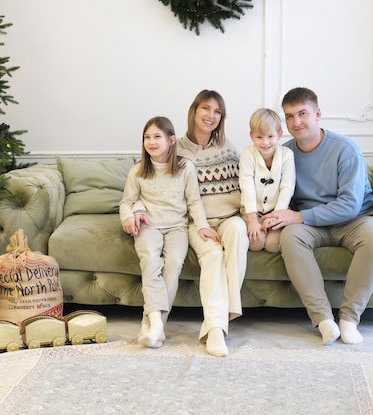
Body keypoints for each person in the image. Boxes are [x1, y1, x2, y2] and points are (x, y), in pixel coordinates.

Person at [263, 87, 373, 345]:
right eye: (289, 116)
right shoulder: (284, 154)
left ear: (318, 113)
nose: (296, 122)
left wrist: (297, 217)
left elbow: (350, 205)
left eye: (302, 114)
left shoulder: (345, 149)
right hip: (311, 224)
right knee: (290, 238)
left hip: (355, 220)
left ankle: (350, 319)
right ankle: (323, 319)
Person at [136, 90, 248, 357]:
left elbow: (248, 185)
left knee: (238, 231)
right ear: (194, 111)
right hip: (196, 223)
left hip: (230, 218)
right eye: (206, 109)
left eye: (218, 112)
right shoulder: (176, 148)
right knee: (212, 254)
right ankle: (217, 329)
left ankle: (217, 321)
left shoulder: (230, 148)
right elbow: (148, 181)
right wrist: (138, 209)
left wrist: (255, 216)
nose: (211, 116)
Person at [120, 116, 220, 349]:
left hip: (177, 226)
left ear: (172, 140)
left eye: (157, 136)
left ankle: (154, 325)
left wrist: (203, 225)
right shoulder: (138, 171)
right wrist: (129, 216)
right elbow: (127, 201)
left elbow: (194, 201)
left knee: (173, 264)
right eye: (147, 137)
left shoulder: (186, 168)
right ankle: (157, 325)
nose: (151, 142)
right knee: (150, 261)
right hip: (148, 226)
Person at [239, 108, 295, 252]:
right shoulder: (248, 154)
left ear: (279, 134)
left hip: (277, 211)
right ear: (251, 136)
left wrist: (276, 216)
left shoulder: (287, 155)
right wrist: (252, 221)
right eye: (259, 137)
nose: (265, 143)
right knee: (255, 244)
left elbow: (287, 187)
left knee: (273, 246)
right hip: (253, 212)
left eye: (270, 136)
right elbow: (247, 187)